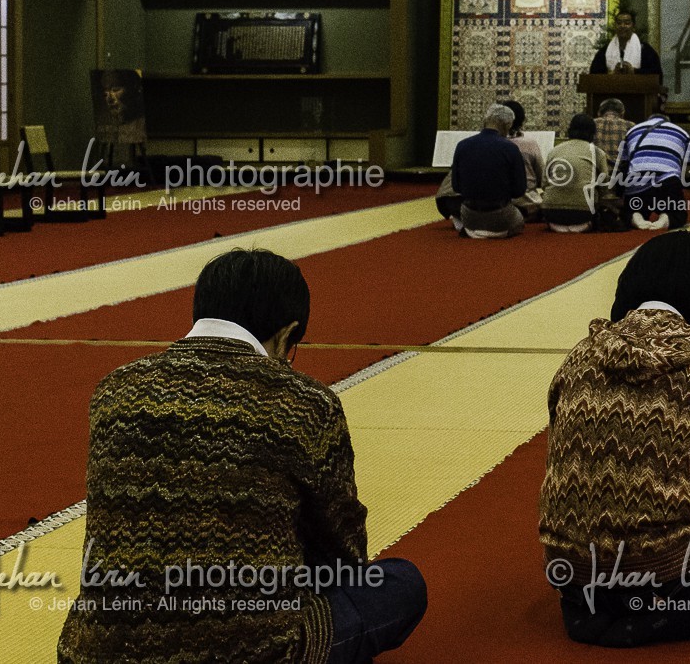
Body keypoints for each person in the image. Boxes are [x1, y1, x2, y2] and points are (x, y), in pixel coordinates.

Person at [58, 249, 426, 664]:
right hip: (255, 652)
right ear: (287, 335)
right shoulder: (304, 401)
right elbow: (342, 550)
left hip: (99, 653)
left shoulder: (115, 389)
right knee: (401, 584)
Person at [540, 231, 690, 648]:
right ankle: (659, 613)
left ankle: (596, 608)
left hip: (572, 565)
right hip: (666, 562)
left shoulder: (581, 353)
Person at [449, 103, 527, 238]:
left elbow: (456, 186)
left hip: (469, 216)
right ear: (507, 125)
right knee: (519, 220)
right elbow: (519, 190)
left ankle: (472, 230)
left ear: (485, 120)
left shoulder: (462, 145)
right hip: (501, 216)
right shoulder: (510, 148)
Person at [616, 111, 690, 230]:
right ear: (667, 121)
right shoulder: (682, 132)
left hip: (637, 180)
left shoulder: (633, 130)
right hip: (668, 179)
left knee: (631, 208)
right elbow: (687, 169)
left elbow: (625, 163)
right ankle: (665, 218)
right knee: (677, 214)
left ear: (648, 120)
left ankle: (636, 216)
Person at [544, 113, 612, 233]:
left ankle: (556, 225)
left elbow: (545, 183)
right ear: (593, 133)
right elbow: (604, 184)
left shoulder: (554, 151)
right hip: (583, 212)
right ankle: (585, 225)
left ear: (569, 129)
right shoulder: (597, 152)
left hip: (552, 211)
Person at [503, 99, 545, 220]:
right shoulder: (530, 143)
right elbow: (542, 177)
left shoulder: (493, 144)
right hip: (529, 204)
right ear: (522, 120)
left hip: (501, 205)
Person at [590, 8, 663, 76]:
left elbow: (657, 75)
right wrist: (612, 73)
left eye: (627, 23)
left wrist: (634, 72)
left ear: (633, 27)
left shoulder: (645, 50)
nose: (622, 26)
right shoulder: (604, 51)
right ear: (615, 27)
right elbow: (593, 75)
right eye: (619, 23)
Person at [593, 97, 634, 164]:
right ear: (622, 113)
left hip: (597, 169)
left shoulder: (592, 123)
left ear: (599, 113)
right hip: (621, 171)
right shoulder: (630, 126)